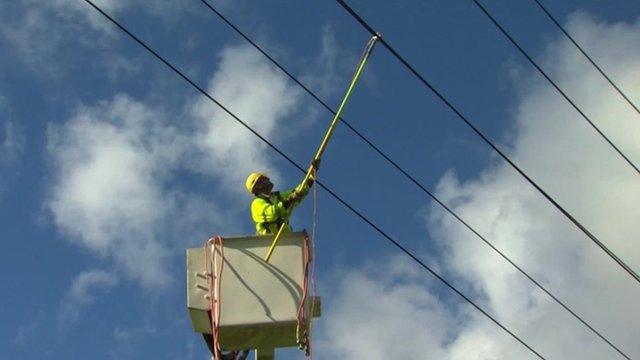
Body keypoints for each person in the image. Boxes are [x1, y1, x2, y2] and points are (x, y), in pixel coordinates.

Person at [246, 159, 320, 235]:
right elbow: (272, 213)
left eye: (264, 178)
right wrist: (289, 201)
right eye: (263, 180)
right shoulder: (256, 204)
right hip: (269, 241)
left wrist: (311, 175)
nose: (267, 179)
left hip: (286, 239)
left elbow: (299, 192)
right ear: (257, 187)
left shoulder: (277, 198)